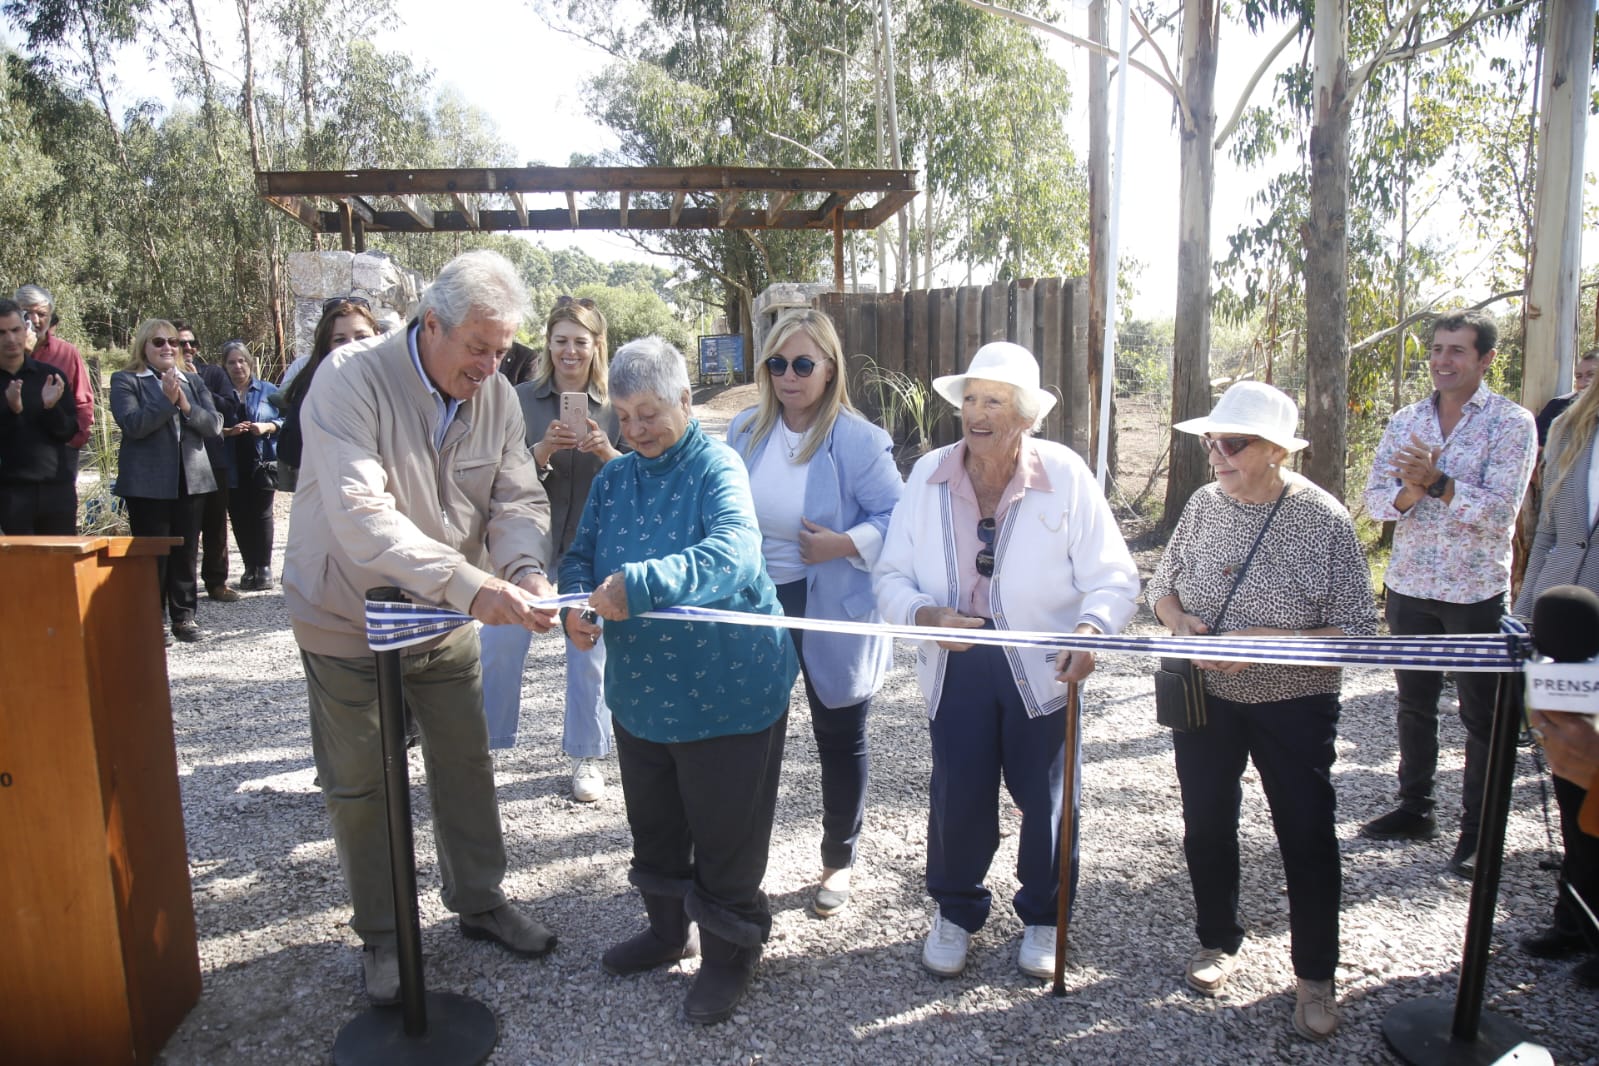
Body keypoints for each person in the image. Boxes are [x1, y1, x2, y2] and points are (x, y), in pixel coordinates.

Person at [282, 249, 561, 1007]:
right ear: (430, 324)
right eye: (478, 347)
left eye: (501, 351)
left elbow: (517, 498)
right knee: (361, 782)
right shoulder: (349, 379)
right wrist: (472, 585)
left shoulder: (496, 396)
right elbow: (362, 517)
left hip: (446, 616)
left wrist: (526, 570)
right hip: (347, 617)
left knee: (465, 760)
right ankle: (383, 934)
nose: (491, 367)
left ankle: (480, 901)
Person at [874, 341, 1140, 981]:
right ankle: (955, 911)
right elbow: (889, 575)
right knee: (958, 793)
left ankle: (1045, 915)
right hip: (955, 658)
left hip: (1041, 664)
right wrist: (924, 616)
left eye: (993, 401)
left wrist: (1091, 631)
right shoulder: (929, 474)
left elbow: (1113, 577)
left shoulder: (1065, 474)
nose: (976, 413)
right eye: (970, 399)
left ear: (1025, 415)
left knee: (1045, 798)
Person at [560, 336, 797, 1026]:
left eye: (650, 414)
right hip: (642, 693)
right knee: (655, 823)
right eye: (624, 416)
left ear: (686, 402)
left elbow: (734, 552)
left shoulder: (718, 466)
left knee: (726, 835)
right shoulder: (613, 478)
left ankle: (729, 955)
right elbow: (578, 555)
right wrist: (574, 605)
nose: (635, 430)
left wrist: (640, 584)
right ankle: (668, 933)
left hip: (727, 691)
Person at [1147, 381, 1377, 1041]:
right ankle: (1216, 939)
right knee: (1206, 824)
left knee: (1305, 833)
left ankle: (1315, 975)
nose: (1215, 454)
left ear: (1276, 450)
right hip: (1206, 699)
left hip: (1293, 704)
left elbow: (1357, 631)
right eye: (1210, 441)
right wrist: (1179, 622)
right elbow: (1161, 586)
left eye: (1232, 443)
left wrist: (1268, 645)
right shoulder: (1202, 504)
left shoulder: (1323, 519)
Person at [727, 308, 903, 916]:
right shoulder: (744, 430)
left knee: (839, 733)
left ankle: (838, 860)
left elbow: (898, 517)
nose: (789, 377)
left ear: (830, 369)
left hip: (832, 600)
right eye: (777, 364)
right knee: (750, 735)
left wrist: (844, 544)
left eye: (803, 364)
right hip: (758, 598)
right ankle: (738, 867)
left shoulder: (859, 440)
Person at [1359, 310, 1537, 877]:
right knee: (1414, 704)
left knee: (1482, 717)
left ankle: (1479, 833)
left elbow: (1501, 512)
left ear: (1486, 359)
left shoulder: (1511, 424)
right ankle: (1416, 808)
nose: (1442, 360)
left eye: (1457, 350)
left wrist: (1437, 483)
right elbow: (1375, 501)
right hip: (1410, 585)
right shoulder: (1407, 420)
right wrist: (1411, 493)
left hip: (1474, 591)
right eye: (1437, 349)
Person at [480, 298, 621, 803]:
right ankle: (484, 749)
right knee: (500, 641)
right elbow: (498, 473)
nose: (569, 351)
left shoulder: (618, 403)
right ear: (548, 343)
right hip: (528, 542)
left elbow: (640, 478)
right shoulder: (517, 399)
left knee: (588, 646)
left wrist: (606, 452)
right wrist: (541, 452)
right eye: (561, 340)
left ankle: (587, 754)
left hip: (591, 545)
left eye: (580, 341)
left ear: (596, 345)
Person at [1515, 380, 1599, 988]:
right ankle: (1575, 916)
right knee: (1573, 773)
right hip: (1565, 625)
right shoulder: (1573, 424)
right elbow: (1546, 531)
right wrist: (1526, 618)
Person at [110, 319, 223, 644]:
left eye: (173, 342)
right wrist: (165, 399)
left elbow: (214, 425)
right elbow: (133, 425)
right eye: (158, 342)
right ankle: (153, 619)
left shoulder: (193, 381)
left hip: (192, 480)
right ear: (143, 346)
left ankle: (184, 617)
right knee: (152, 555)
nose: (168, 348)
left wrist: (185, 404)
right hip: (148, 485)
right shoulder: (126, 380)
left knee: (186, 552)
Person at [276, 298, 379, 490]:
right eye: (340, 339)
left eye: (362, 337)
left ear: (377, 335)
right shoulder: (316, 385)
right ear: (326, 344)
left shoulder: (394, 380)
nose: (351, 345)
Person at [15, 285, 93, 531]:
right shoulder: (5, 354)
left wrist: (74, 441)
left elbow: (83, 401)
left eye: (42, 314)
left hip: (58, 458)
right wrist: (23, 352)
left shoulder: (66, 352)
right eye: (27, 313)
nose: (35, 320)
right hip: (14, 460)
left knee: (59, 534)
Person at [175, 321, 241, 603]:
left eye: (193, 343)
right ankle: (182, 589)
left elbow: (229, 408)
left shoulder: (212, 373)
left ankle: (216, 582)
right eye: (181, 343)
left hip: (214, 459)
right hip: (183, 461)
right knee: (186, 529)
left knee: (216, 525)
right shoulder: (163, 377)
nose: (188, 348)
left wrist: (198, 384)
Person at [0, 298, 76, 534]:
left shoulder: (50, 376)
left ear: (26, 331)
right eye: (1, 333)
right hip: (11, 492)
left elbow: (68, 432)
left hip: (57, 489)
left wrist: (51, 408)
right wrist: (12, 411)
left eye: (15, 330)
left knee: (61, 557)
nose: (10, 339)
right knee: (21, 558)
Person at [218, 341, 282, 590]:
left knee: (262, 514)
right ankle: (249, 567)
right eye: (231, 362)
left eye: (241, 360)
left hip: (262, 462)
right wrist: (228, 431)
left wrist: (268, 426)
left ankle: (263, 567)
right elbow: (209, 424)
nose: (237, 366)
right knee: (238, 515)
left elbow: (288, 418)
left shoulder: (267, 390)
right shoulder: (219, 393)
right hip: (231, 462)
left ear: (250, 363)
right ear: (224, 366)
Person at [1534, 350, 1597, 447]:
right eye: (1578, 376)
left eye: (1591, 375)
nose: (1582, 383)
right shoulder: (1557, 407)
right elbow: (1537, 447)